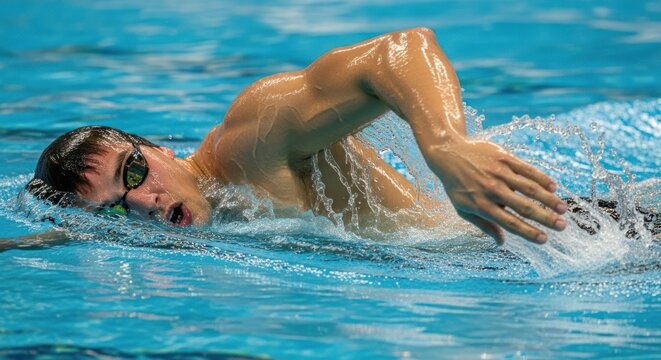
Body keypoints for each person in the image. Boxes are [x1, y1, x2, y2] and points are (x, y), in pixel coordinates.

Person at [25, 28, 570, 246]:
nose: (142, 203)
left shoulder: (250, 140)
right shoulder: (199, 216)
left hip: (560, 232)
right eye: (116, 209)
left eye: (134, 172)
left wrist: (446, 145)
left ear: (160, 149)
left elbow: (397, 50)